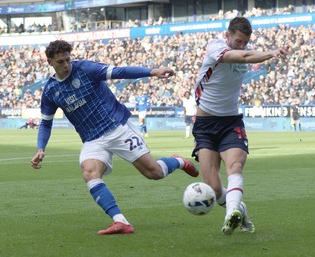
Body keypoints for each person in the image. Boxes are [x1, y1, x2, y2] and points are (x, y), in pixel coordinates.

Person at [30, 40, 199, 235]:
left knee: (154, 173)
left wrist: (152, 72)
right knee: (89, 172)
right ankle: (121, 221)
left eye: (68, 59)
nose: (66, 65)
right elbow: (45, 122)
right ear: (50, 61)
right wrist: (41, 148)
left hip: (117, 127)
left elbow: (120, 72)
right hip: (92, 139)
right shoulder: (51, 91)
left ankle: (178, 161)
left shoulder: (86, 69)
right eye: (61, 62)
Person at [191, 17, 288, 235]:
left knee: (234, 166)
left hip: (230, 121)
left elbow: (248, 54)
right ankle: (239, 209)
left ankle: (231, 213)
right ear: (227, 35)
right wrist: (271, 52)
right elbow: (242, 56)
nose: (242, 45)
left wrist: (271, 55)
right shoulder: (216, 47)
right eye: (238, 40)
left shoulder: (247, 50)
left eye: (245, 42)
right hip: (205, 124)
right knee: (214, 189)